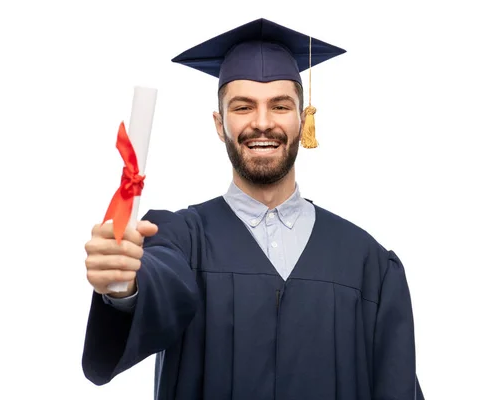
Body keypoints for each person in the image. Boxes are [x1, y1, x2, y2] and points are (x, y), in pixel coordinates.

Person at [82, 18, 425, 400]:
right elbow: (160, 279)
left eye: (280, 106)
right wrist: (124, 284)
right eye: (243, 107)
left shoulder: (369, 264)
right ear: (219, 123)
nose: (262, 123)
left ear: (302, 117)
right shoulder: (180, 239)